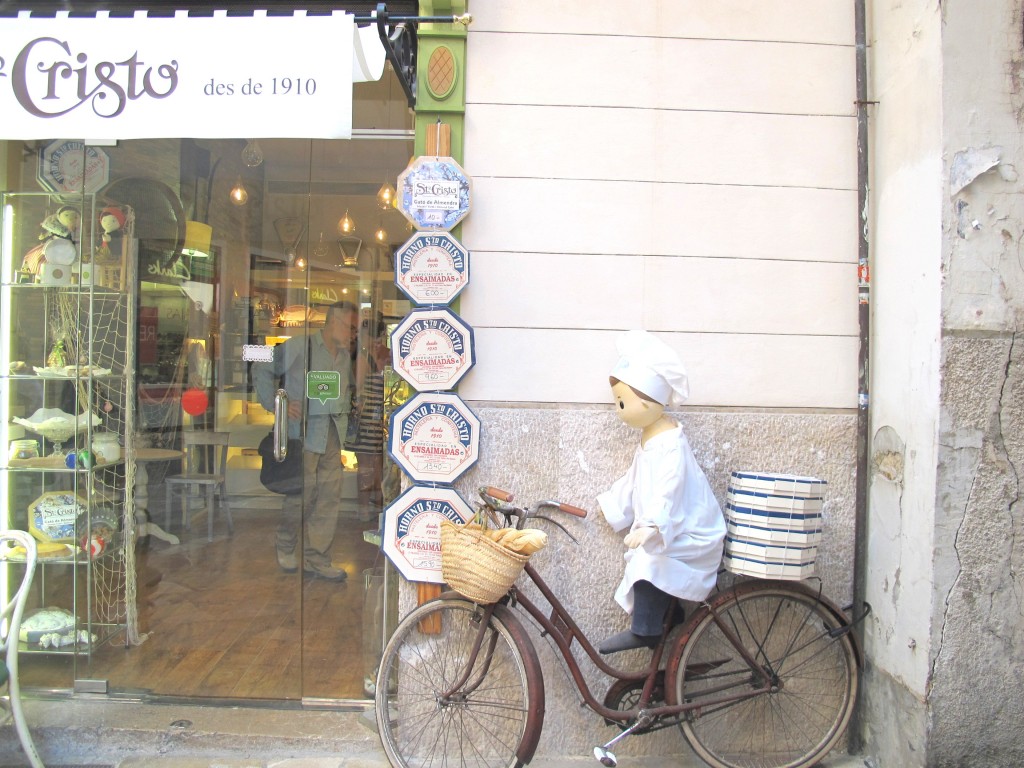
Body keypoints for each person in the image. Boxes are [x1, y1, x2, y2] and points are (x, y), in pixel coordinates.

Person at [597, 330, 726, 654]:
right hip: (672, 528)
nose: (619, 410)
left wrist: (653, 525)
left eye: (623, 402)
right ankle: (671, 614)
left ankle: (647, 630)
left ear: (648, 401)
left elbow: (670, 487)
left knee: (649, 562)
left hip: (691, 531)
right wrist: (614, 505)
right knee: (648, 556)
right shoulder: (652, 439)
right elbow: (635, 480)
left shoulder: (671, 444)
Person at [252, 300, 359, 581]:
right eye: (350, 327)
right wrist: (278, 404)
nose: (353, 333)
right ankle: (285, 541)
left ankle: (318, 560)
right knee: (302, 495)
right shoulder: (301, 346)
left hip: (332, 435)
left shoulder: (345, 357)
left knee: (327, 500)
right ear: (334, 322)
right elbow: (260, 364)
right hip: (303, 435)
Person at [344, 318, 390, 523]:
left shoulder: (387, 355)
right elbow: (357, 389)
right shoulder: (363, 357)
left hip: (382, 418)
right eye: (372, 337)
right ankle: (364, 509)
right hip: (367, 419)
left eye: (378, 337)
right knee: (365, 466)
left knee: (379, 466)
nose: (376, 341)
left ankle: (380, 507)